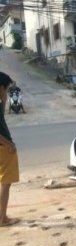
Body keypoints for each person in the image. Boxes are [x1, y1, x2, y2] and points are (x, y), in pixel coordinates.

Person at [0, 72, 20, 227]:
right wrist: (9, 145)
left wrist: (4, 98)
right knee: (5, 184)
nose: (7, 93)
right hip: (4, 148)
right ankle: (2, 219)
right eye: (6, 89)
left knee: (4, 183)